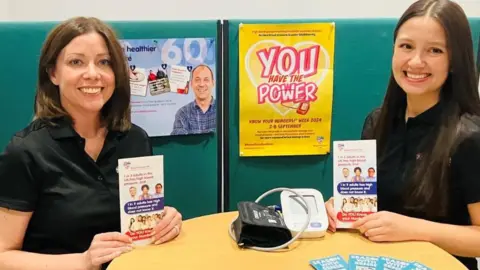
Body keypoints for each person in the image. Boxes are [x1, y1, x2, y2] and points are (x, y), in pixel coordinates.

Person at [0, 17, 183, 270]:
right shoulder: (26, 151)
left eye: (103, 62)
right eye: (76, 62)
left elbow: (138, 220)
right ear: (53, 73)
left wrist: (163, 220)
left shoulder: (134, 140)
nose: (93, 74)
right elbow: (3, 255)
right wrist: (84, 261)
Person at [325, 1, 480, 269]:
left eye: (434, 50)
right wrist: (341, 206)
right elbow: (369, 203)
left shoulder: (469, 138)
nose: (416, 61)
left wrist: (412, 229)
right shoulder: (377, 123)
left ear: (455, 60)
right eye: (406, 46)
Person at [171, 64, 216, 135]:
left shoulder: (223, 110)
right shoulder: (182, 113)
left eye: (206, 80)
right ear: (191, 84)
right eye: (197, 80)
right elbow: (179, 143)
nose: (201, 84)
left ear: (213, 83)